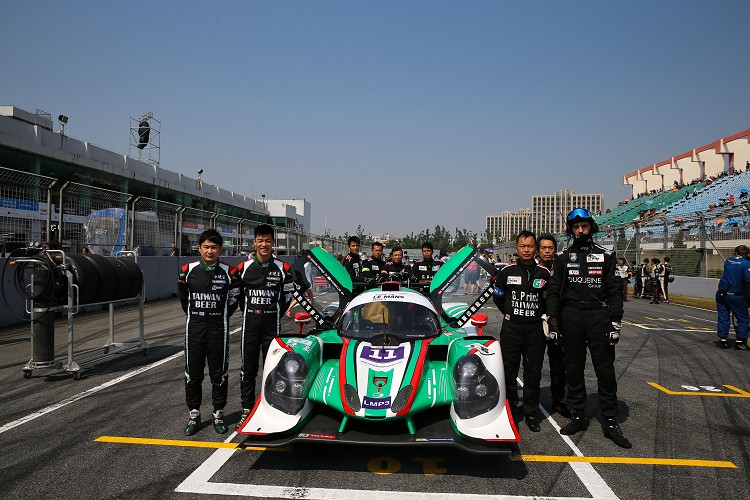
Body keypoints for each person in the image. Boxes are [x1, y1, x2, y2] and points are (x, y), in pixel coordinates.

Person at [547, 208, 630, 448]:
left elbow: (615, 291)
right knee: (573, 369)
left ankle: (610, 420)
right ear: (571, 230)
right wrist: (553, 320)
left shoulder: (606, 255)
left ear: (591, 228)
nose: (580, 230)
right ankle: (578, 416)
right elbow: (554, 292)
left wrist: (616, 321)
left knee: (605, 370)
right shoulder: (562, 257)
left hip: (598, 316)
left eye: (584, 226)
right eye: (576, 227)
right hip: (570, 316)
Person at [178, 229, 241, 436]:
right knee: (193, 375)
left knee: (219, 374)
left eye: (214, 247)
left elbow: (234, 299)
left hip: (218, 331)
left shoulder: (229, 272)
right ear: (199, 248)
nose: (210, 251)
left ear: (220, 249)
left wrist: (221, 315)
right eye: (206, 247)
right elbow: (183, 298)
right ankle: (194, 415)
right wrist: (196, 315)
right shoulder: (187, 270)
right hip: (194, 330)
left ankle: (218, 413)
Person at [235, 224, 294, 429]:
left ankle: (273, 408)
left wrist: (274, 311)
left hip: (272, 328)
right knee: (248, 369)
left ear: (273, 243)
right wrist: (251, 311)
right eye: (260, 241)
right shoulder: (243, 268)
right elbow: (239, 298)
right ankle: (246, 408)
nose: (264, 244)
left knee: (274, 369)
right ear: (254, 243)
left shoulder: (283, 269)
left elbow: (287, 297)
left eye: (268, 241)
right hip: (250, 327)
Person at [492, 231, 550, 432]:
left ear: (536, 249)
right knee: (509, 370)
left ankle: (531, 412)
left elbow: (547, 300)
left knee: (533, 372)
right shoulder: (506, 272)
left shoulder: (544, 273)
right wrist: (511, 313)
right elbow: (498, 297)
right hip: (512, 329)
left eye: (530, 246)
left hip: (535, 330)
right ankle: (510, 407)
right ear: (516, 248)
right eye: (523, 246)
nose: (526, 250)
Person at [536, 234, 570, 418]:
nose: (547, 251)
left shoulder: (562, 268)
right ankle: (531, 402)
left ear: (555, 250)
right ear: (538, 250)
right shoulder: (532, 269)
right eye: (544, 248)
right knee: (533, 364)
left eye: (550, 248)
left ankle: (558, 400)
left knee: (558, 364)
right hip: (536, 322)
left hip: (557, 322)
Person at [716, 245, 750, 350]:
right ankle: (740, 341)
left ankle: (723, 340)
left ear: (735, 252)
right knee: (743, 318)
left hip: (722, 293)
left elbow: (735, 262)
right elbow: (748, 280)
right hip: (736, 295)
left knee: (723, 316)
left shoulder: (728, 261)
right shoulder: (746, 264)